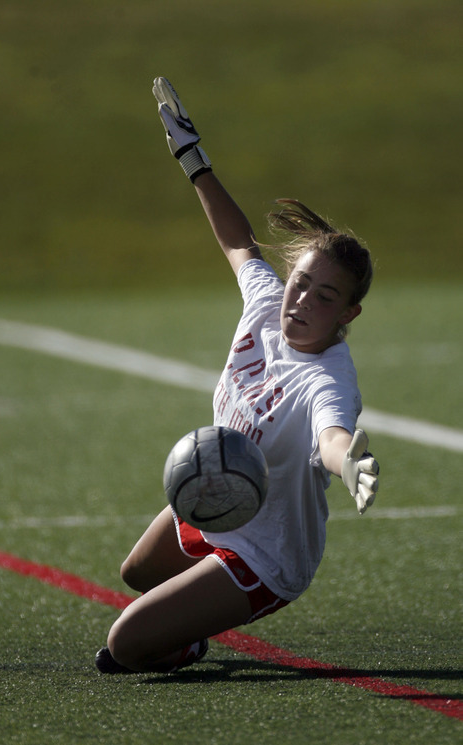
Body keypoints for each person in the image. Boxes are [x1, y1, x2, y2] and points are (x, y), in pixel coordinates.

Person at [95, 78, 380, 674]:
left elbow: (330, 435)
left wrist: (348, 461)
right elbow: (238, 240)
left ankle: (192, 639)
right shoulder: (266, 306)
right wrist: (191, 157)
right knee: (137, 574)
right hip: (217, 496)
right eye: (301, 282)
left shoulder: (327, 379)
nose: (301, 301)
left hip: (266, 551)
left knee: (126, 648)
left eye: (325, 297)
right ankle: (189, 619)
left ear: (348, 314)